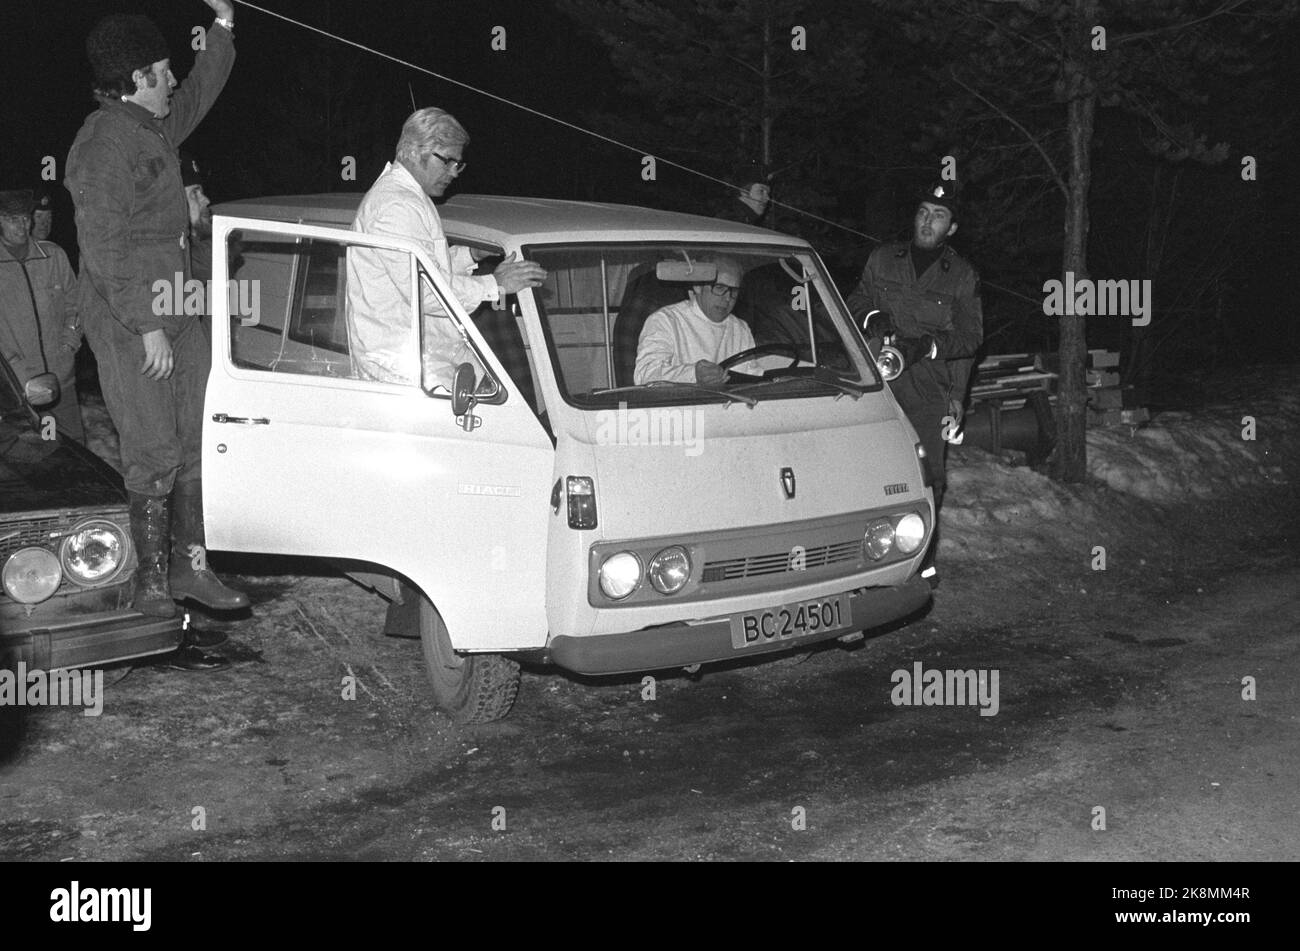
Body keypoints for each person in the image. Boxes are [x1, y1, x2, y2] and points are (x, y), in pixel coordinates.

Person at [65, 2, 245, 672]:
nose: (174, 79)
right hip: (131, 319)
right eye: (164, 70)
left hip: (182, 302)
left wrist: (223, 27)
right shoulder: (101, 144)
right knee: (152, 449)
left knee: (196, 438)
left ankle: (191, 567)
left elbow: (202, 88)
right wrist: (145, 327)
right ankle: (148, 588)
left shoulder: (153, 125)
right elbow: (102, 248)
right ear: (137, 76)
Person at [346, 107, 547, 390]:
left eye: (458, 164)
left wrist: (470, 255)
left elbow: (425, 268)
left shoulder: (409, 197)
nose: (454, 172)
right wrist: (496, 284)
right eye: (448, 161)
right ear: (416, 152)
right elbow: (425, 291)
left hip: (425, 357)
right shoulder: (397, 206)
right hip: (405, 367)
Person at [846, 181, 983, 589]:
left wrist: (933, 351)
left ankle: (922, 559)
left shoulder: (961, 275)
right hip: (880, 387)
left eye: (939, 216)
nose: (928, 221)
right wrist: (872, 317)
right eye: (923, 211)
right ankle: (866, 559)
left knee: (927, 476)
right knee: (871, 472)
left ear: (952, 228)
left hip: (929, 390)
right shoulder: (884, 258)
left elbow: (970, 338)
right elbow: (851, 303)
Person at [0, 189, 83, 441]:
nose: (22, 226)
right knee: (30, 460)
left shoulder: (53, 256)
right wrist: (16, 371)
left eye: (25, 218)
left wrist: (69, 341)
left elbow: (76, 304)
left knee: (76, 452)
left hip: (61, 381)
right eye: (13, 219)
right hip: (17, 389)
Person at [634, 255, 768, 385]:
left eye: (734, 291)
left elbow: (752, 377)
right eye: (719, 288)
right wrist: (693, 374)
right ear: (697, 286)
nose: (727, 299)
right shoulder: (666, 320)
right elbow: (645, 375)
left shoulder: (740, 328)